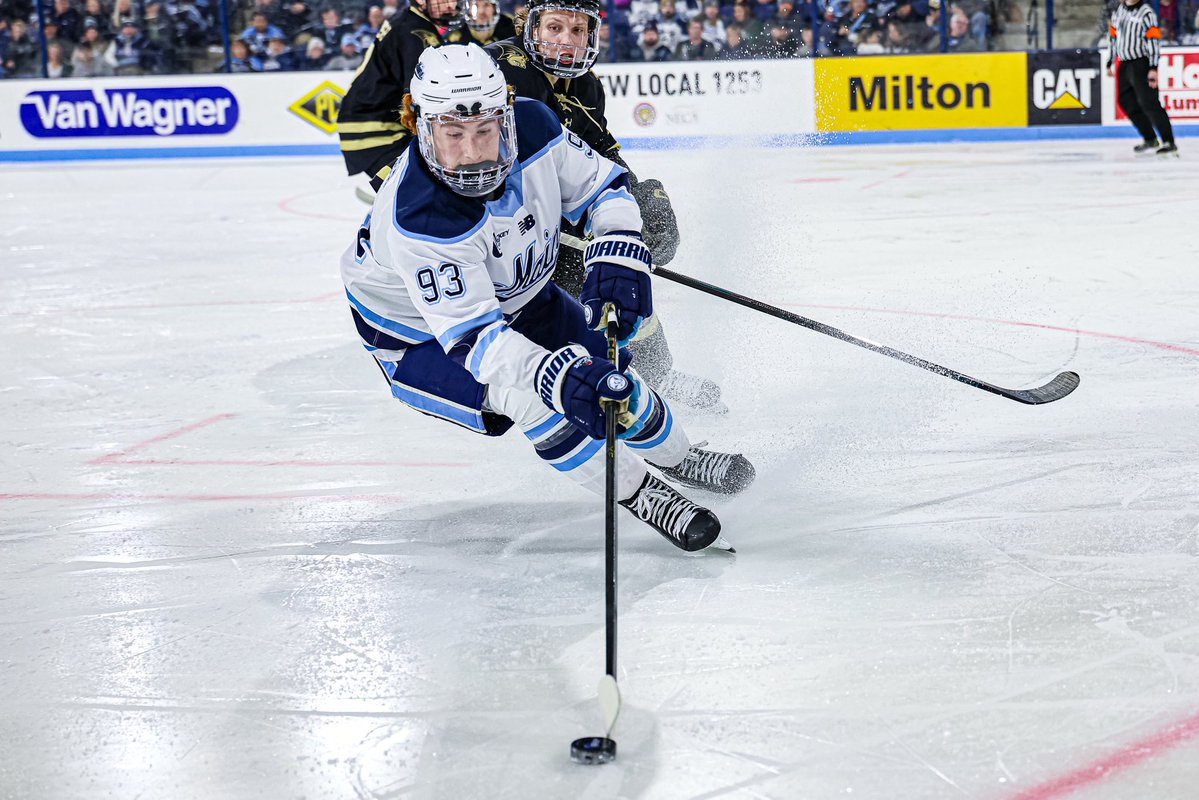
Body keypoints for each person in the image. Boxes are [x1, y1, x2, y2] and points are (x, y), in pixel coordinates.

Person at [341, 44, 755, 553]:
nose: (472, 154)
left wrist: (618, 250)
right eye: (452, 135)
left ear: (505, 115)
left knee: (611, 370)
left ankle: (678, 456)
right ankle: (641, 492)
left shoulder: (535, 125)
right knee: (536, 399)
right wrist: (552, 375)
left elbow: (604, 188)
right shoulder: (419, 218)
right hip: (420, 337)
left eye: (485, 132)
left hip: (521, 293)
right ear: (421, 126)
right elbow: (479, 343)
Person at [486, 0, 727, 412]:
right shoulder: (500, 68)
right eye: (556, 28)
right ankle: (605, 392)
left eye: (578, 31)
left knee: (624, 272)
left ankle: (658, 375)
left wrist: (633, 198)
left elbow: (599, 149)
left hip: (558, 219)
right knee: (586, 303)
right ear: (529, 26)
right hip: (507, 232)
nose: (568, 41)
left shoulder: (585, 84)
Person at [336, 0, 471, 189]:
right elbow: (421, 93)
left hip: (369, 120)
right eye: (443, 1)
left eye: (453, 1)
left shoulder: (408, 20)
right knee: (427, 180)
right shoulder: (417, 32)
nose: (451, 7)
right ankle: (393, 192)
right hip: (374, 128)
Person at [1108, 0, 1178, 155]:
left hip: (1141, 63)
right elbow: (1113, 37)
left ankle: (1168, 140)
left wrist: (1153, 67)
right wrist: (1110, 60)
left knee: (1149, 102)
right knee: (1126, 101)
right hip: (1125, 63)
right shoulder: (1119, 11)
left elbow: (1153, 41)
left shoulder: (1147, 13)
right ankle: (1150, 138)